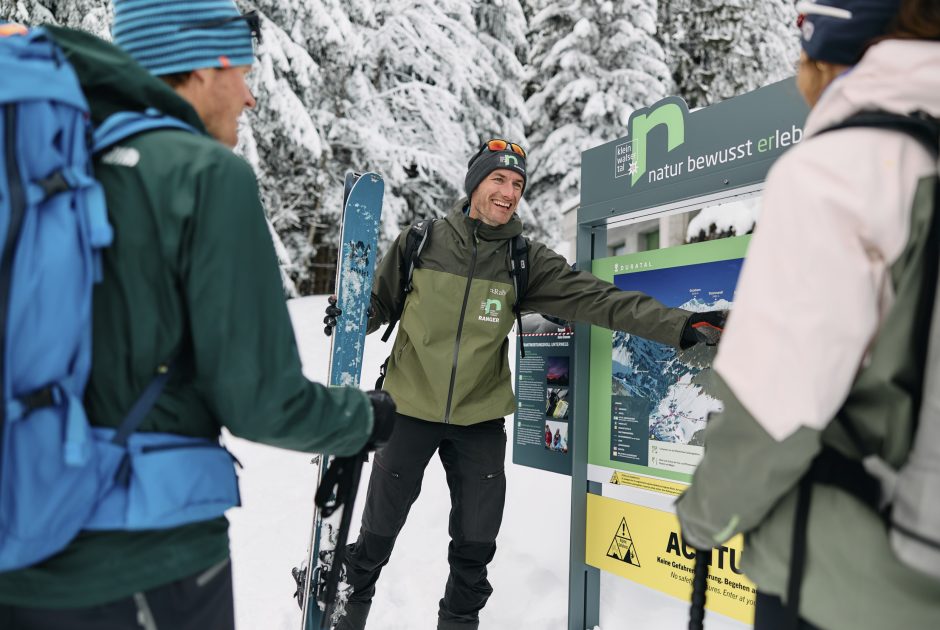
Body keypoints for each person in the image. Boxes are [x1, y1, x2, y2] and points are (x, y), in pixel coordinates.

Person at [0, 2, 395, 628]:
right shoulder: (204, 176)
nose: (250, 97)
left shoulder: (45, 171)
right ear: (204, 67)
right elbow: (262, 401)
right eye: (243, 71)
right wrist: (362, 420)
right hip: (152, 558)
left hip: (19, 547)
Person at [334, 138, 725, 630]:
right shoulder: (422, 242)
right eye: (499, 178)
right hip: (409, 409)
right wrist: (351, 315)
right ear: (476, 183)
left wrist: (680, 325)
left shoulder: (525, 261)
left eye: (517, 184)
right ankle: (344, 613)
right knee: (376, 537)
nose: (509, 192)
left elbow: (602, 300)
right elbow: (378, 305)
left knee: (475, 551)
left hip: (479, 420)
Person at [676, 1, 940, 629]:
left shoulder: (840, 172)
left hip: (848, 581)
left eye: (801, 54)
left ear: (826, 58)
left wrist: (705, 516)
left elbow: (776, 410)